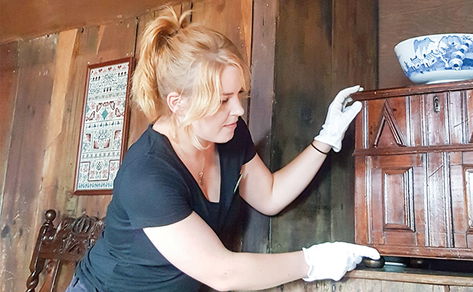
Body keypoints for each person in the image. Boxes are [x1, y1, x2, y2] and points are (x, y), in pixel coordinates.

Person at [68, 7, 379, 292]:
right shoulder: (146, 174)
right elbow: (222, 272)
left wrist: (326, 138)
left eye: (238, 95)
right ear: (179, 103)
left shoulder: (229, 134)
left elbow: (269, 195)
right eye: (222, 100)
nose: (238, 110)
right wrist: (312, 262)